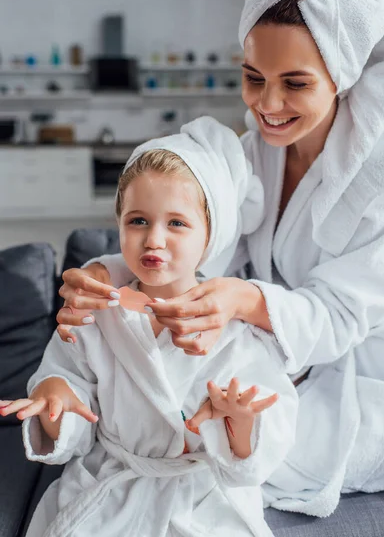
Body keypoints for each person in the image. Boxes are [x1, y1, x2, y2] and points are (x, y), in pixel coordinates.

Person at [56, 0, 384, 519]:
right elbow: (178, 223)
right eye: (252, 76)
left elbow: (341, 317)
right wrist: (102, 274)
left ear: (341, 76)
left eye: (295, 83)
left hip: (365, 382)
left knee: (221, 443)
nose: (268, 105)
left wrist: (245, 299)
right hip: (277, 364)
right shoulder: (249, 154)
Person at [0, 117, 298, 537]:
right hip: (113, 483)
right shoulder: (96, 311)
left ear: (210, 235)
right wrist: (56, 400)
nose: (153, 239)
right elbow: (70, 393)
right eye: (138, 220)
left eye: (176, 223)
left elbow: (270, 426)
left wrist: (242, 422)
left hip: (200, 497)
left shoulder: (233, 323)